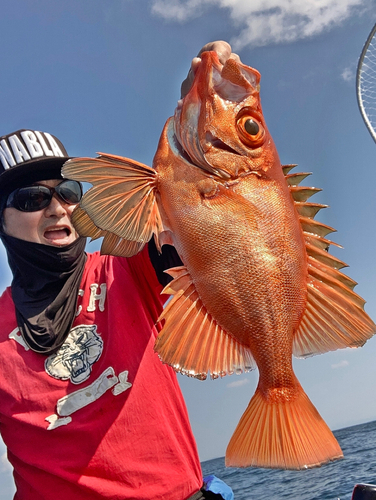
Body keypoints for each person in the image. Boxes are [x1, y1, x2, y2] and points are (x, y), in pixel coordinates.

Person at [0, 43, 236, 500]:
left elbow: (194, 210)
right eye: (31, 198)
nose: (57, 208)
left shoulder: (127, 264)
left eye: (67, 190)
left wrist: (200, 114)